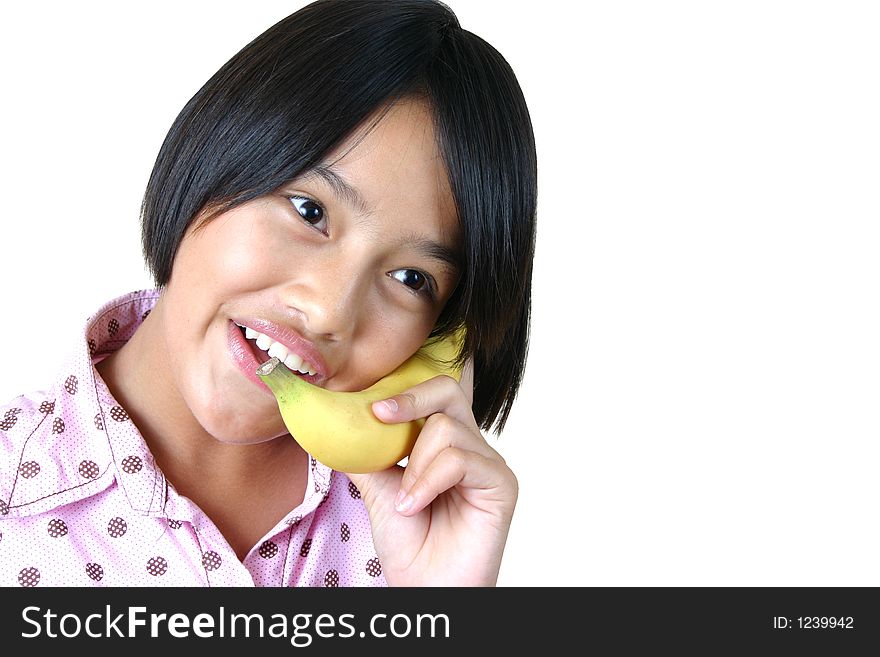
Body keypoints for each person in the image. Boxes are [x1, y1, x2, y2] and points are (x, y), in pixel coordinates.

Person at [0, 0, 536, 587]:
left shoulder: (419, 535)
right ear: (216, 156)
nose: (329, 310)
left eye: (411, 279)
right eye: (310, 212)